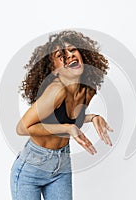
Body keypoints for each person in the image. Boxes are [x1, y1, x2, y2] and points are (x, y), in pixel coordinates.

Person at [10, 30, 114, 200]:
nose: (69, 56)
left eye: (73, 50)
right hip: (31, 169)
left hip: (61, 166)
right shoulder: (56, 90)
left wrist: (92, 117)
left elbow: (70, 119)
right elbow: (22, 128)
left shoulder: (87, 90)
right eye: (61, 55)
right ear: (54, 69)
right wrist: (66, 128)